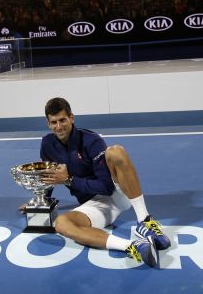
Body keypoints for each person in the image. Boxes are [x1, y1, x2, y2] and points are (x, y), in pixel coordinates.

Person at [38, 97, 170, 268]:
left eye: (62, 120)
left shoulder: (92, 141)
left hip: (117, 192)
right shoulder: (47, 144)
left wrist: (70, 179)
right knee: (62, 224)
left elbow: (106, 188)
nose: (59, 126)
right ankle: (134, 246)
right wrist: (42, 200)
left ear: (72, 117)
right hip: (96, 206)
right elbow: (49, 176)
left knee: (116, 151)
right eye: (53, 122)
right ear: (48, 123)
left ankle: (144, 221)